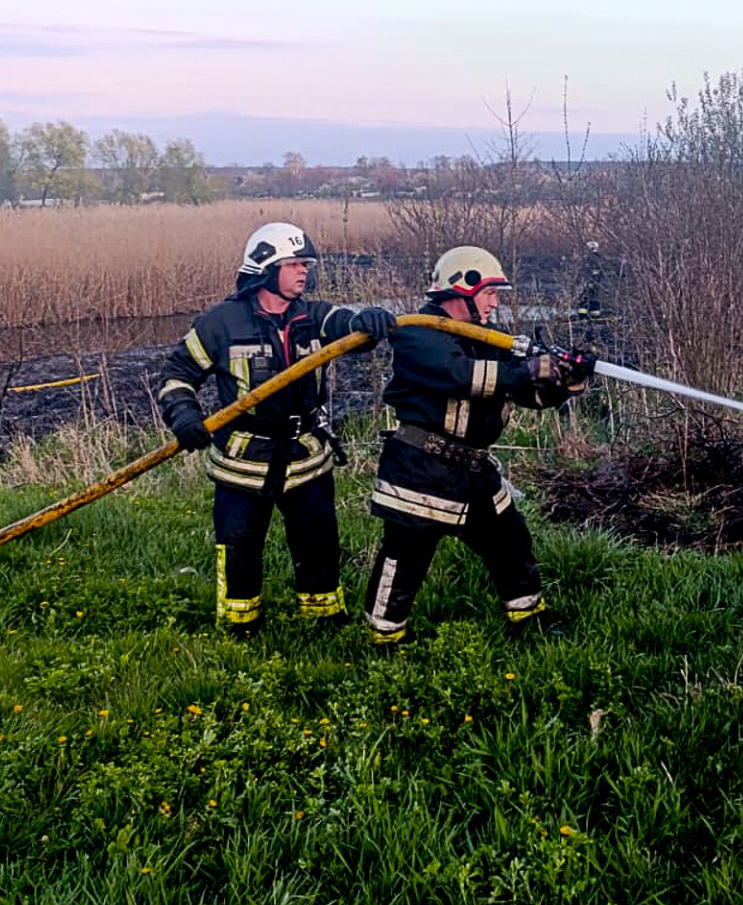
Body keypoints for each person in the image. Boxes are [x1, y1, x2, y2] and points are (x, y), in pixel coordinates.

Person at [155, 221, 397, 633]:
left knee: (318, 542)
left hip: (306, 456)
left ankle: (323, 621)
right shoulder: (221, 323)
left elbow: (345, 325)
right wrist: (184, 416)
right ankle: (240, 625)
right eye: (295, 264)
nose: (304, 271)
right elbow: (177, 373)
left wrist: (367, 323)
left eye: (306, 264)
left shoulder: (314, 316)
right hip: (243, 461)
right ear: (266, 268)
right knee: (238, 545)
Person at [363, 245, 592, 645]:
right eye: (489, 293)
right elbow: (461, 375)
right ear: (461, 289)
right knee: (405, 557)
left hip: (472, 471)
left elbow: (525, 393)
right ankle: (385, 638)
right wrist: (524, 370)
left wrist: (564, 381)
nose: (495, 303)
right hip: (421, 468)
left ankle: (528, 620)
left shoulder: (487, 338)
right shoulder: (417, 334)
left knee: (510, 539)